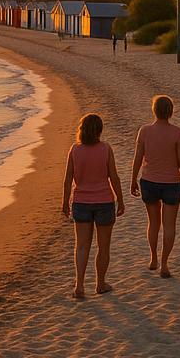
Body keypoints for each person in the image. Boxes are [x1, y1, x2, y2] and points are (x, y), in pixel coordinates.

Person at [62, 114, 125, 299]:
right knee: (103, 246)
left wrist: (65, 203)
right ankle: (100, 283)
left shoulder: (75, 150)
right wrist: (120, 200)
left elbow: (67, 181)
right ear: (99, 130)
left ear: (81, 130)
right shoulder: (106, 149)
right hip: (104, 201)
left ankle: (79, 285)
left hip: (81, 202)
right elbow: (114, 177)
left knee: (81, 246)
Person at [130, 96, 180, 277]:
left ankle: (153, 258)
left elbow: (138, 158)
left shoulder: (144, 131)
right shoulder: (177, 133)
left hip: (149, 182)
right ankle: (164, 264)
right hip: (171, 183)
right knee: (169, 225)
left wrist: (133, 178)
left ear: (154, 110)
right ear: (170, 111)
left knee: (153, 223)